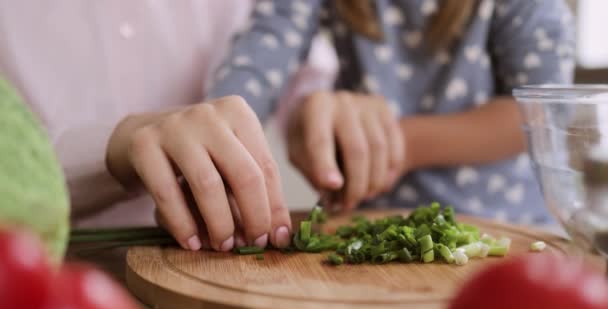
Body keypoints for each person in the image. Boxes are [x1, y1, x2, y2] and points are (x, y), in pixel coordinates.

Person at [0, 1, 337, 251]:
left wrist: (318, 112)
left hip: (208, 266)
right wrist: (113, 149)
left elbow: (292, 66)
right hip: (35, 276)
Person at [206, 0, 575, 224]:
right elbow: (261, 53)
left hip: (507, 227)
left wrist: (395, 143)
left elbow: (539, 111)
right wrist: (215, 145)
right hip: (369, 224)